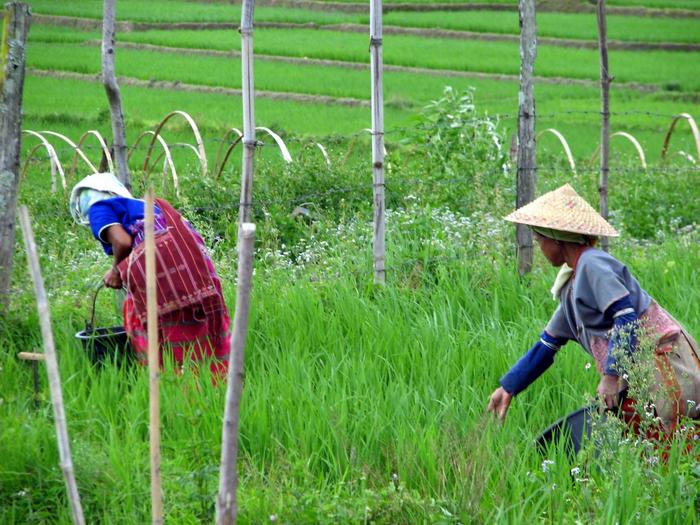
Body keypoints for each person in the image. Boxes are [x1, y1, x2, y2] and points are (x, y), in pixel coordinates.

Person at [487, 184, 700, 433]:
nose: (540, 248)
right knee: (657, 442)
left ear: (557, 239)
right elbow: (547, 345)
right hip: (641, 375)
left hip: (663, 363)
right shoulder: (572, 285)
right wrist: (509, 387)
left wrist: (611, 376)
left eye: (540, 240)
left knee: (679, 441)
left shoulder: (592, 264)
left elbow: (626, 316)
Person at [70, 173, 231, 376]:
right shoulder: (146, 206)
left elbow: (122, 241)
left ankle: (169, 378)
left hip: (161, 267)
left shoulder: (99, 207)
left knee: (154, 328)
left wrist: (116, 270)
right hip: (196, 266)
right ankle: (215, 381)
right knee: (200, 324)